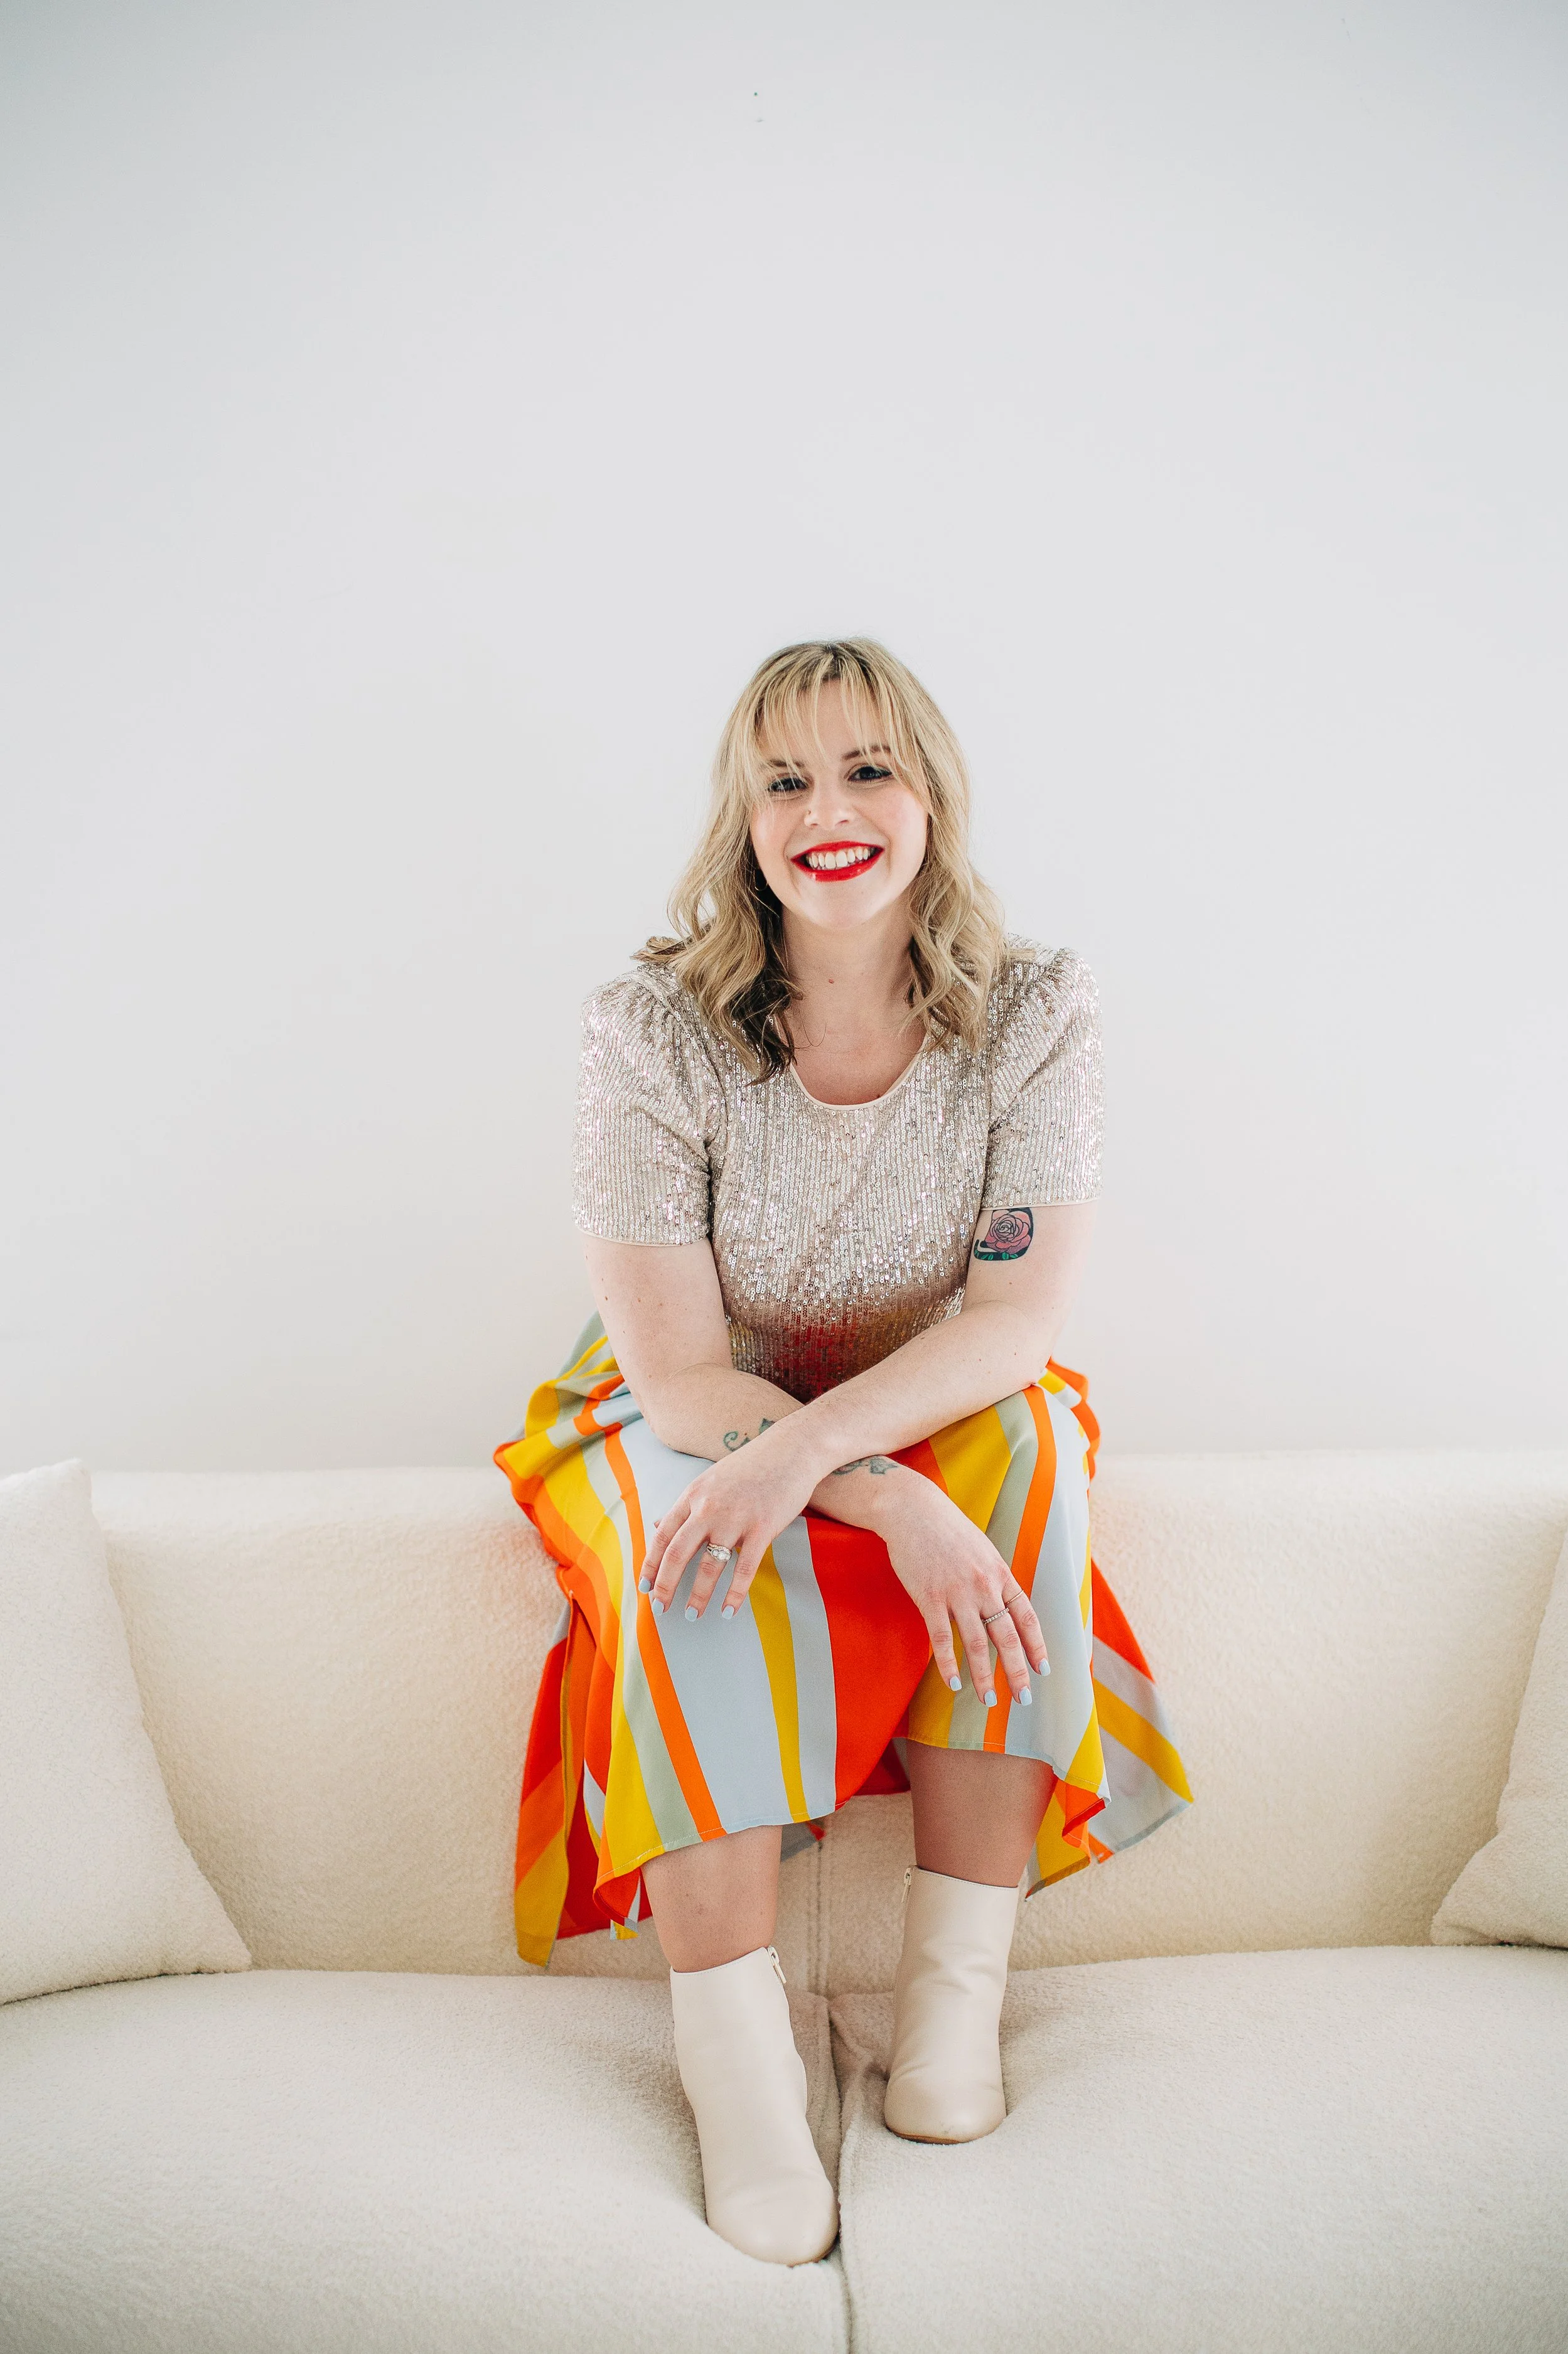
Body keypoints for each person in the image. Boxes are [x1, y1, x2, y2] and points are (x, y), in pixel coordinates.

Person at [495, 638, 1191, 2265]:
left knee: (1025, 1454)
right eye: (786, 777)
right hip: (696, 1398)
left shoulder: (1033, 1004)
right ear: (741, 817)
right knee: (691, 1539)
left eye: (869, 767)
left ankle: (953, 2015)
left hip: (925, 1382)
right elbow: (675, 1368)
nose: (831, 810)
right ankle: (737, 2072)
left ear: (929, 795)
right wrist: (858, 1489)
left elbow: (1014, 1317)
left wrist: (881, 1469)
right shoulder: (649, 1024)